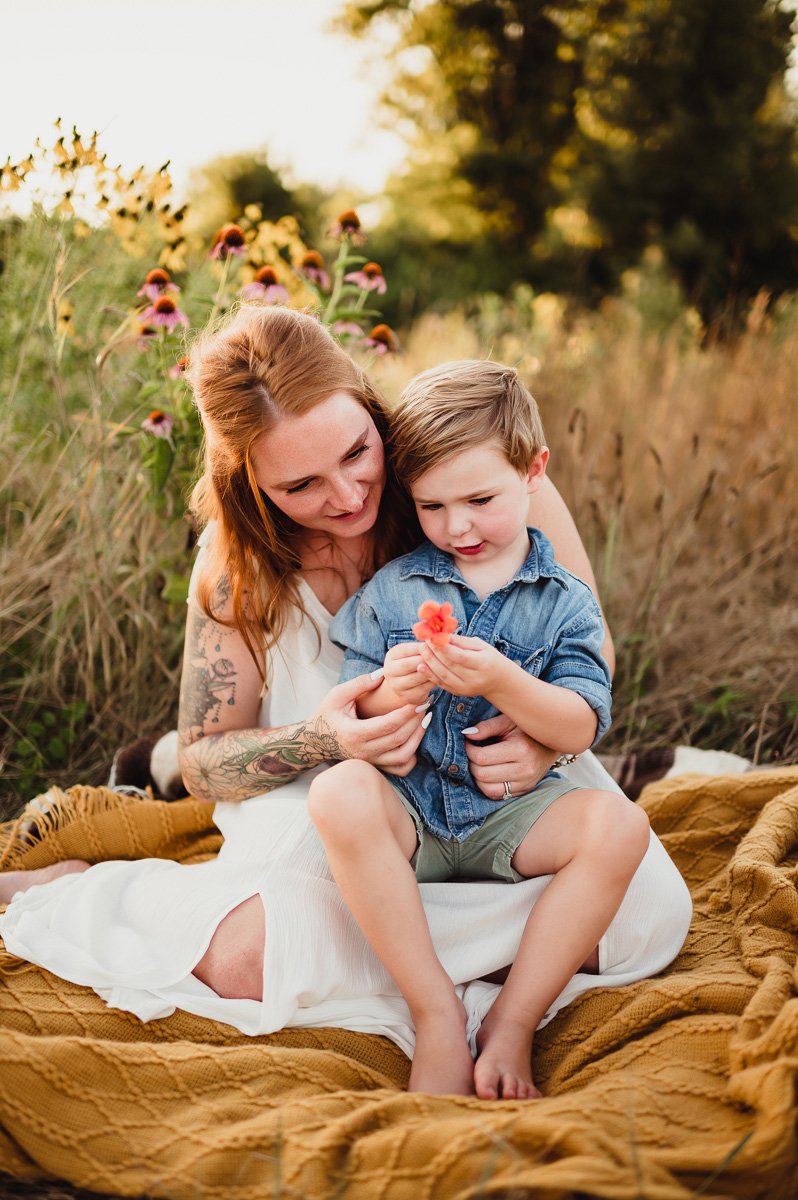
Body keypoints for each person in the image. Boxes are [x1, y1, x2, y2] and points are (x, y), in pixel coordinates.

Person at [0, 307, 691, 1076]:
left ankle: (457, 985)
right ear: (251, 483)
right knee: (254, 961)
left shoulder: (474, 477)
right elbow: (202, 762)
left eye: (358, 452)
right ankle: (102, 894)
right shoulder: (237, 566)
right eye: (300, 484)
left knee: (642, 923)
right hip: (341, 808)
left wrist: (535, 736)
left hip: (506, 794)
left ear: (368, 405)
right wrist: (321, 739)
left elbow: (588, 648)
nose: (347, 494)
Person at [308, 360, 650, 1098]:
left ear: (535, 472)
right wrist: (386, 695)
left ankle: (513, 1022)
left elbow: (584, 720)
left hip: (511, 817)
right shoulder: (398, 588)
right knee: (337, 796)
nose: (456, 526)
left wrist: (504, 680)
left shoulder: (564, 602)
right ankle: (434, 1013)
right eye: (431, 506)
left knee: (620, 829)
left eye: (479, 499)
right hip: (416, 813)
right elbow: (353, 699)